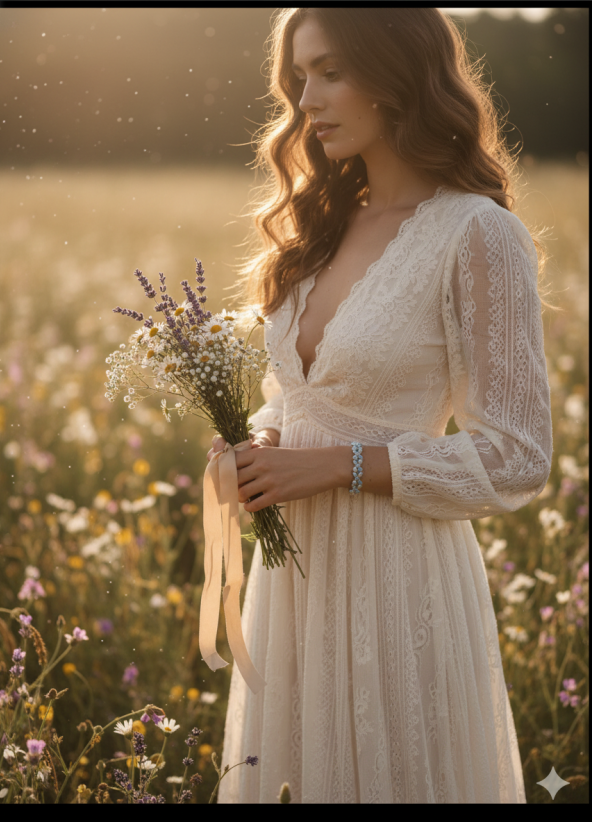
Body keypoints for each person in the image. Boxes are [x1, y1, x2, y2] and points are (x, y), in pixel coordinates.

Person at [209, 8, 552, 803]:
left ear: (397, 73)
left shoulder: (476, 233)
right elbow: (295, 396)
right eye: (299, 78)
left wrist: (335, 466)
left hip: (398, 585)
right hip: (292, 586)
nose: (307, 100)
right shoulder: (319, 228)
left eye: (331, 72)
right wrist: (254, 445)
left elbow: (518, 458)